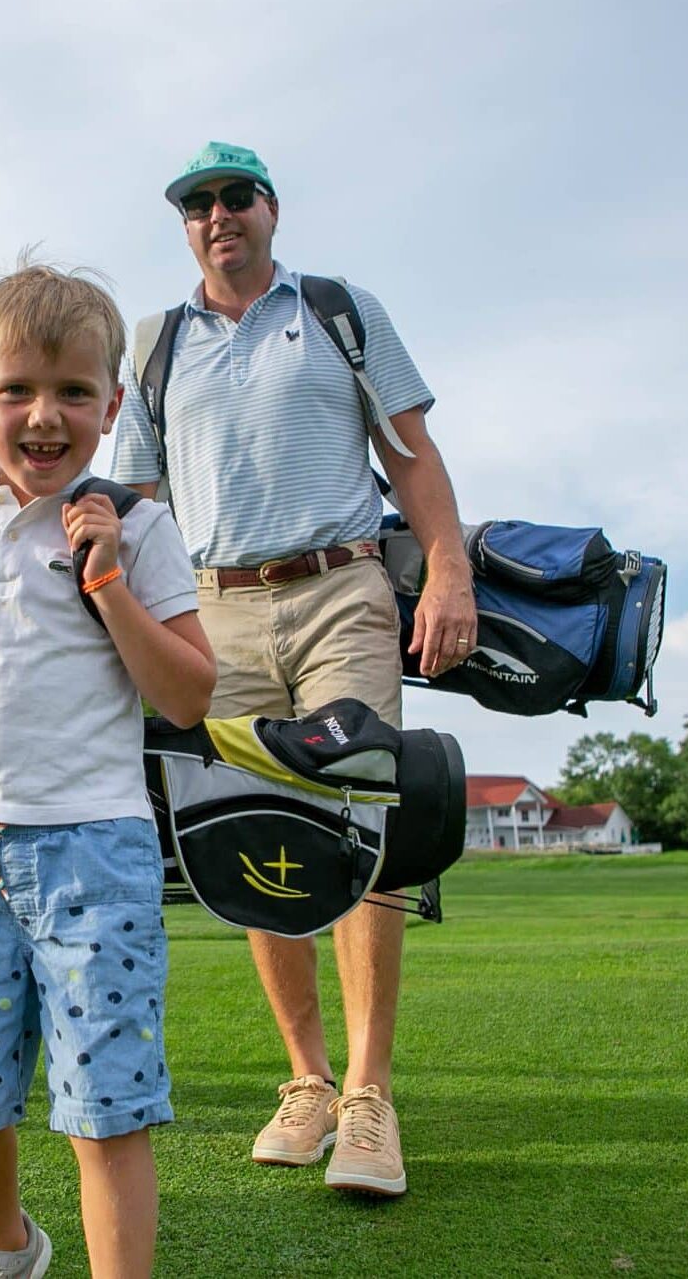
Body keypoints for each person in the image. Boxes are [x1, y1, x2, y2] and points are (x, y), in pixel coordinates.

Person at [111, 143, 478, 1198]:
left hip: (339, 588)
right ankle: (305, 1083)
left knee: (362, 816)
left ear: (270, 209)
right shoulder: (155, 343)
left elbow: (411, 456)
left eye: (234, 197)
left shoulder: (334, 309)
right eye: (197, 204)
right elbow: (136, 503)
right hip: (212, 607)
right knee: (250, 829)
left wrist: (446, 568)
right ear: (185, 225)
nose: (216, 215)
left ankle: (367, 1098)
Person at [0, 262, 215, 1277]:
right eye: (17, 390)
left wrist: (110, 582)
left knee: (105, 1105)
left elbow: (188, 695)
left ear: (111, 405)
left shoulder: (140, 526)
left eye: (73, 392)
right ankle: (8, 1245)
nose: (44, 415)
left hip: (93, 850)